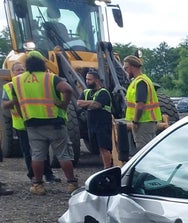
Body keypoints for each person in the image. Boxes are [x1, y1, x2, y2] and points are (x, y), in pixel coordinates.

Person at [8, 51, 79, 195]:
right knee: (63, 155)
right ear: (42, 64)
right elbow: (68, 89)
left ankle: (38, 185)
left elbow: (16, 103)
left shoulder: (17, 81)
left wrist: (24, 117)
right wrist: (63, 104)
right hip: (55, 123)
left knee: (37, 155)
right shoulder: (50, 78)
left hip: (32, 124)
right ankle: (72, 183)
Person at [2, 60, 59, 186]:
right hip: (21, 125)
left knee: (42, 150)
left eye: (22, 69)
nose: (21, 72)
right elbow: (5, 105)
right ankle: (33, 176)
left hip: (34, 122)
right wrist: (16, 100)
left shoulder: (28, 83)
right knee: (28, 152)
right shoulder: (9, 86)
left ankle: (48, 174)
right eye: (18, 70)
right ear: (12, 72)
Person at [122, 55, 161, 150]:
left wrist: (135, 121)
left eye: (126, 68)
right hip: (148, 122)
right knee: (150, 150)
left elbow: (140, 105)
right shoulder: (144, 80)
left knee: (143, 151)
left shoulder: (140, 82)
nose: (125, 70)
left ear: (132, 67)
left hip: (143, 123)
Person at [77, 69, 113, 168]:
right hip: (92, 125)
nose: (87, 81)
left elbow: (96, 105)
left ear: (96, 80)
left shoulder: (104, 92)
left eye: (89, 79)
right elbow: (79, 103)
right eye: (86, 79)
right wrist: (90, 103)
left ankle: (108, 168)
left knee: (104, 148)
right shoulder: (86, 92)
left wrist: (87, 104)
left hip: (103, 125)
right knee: (98, 148)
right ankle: (105, 166)